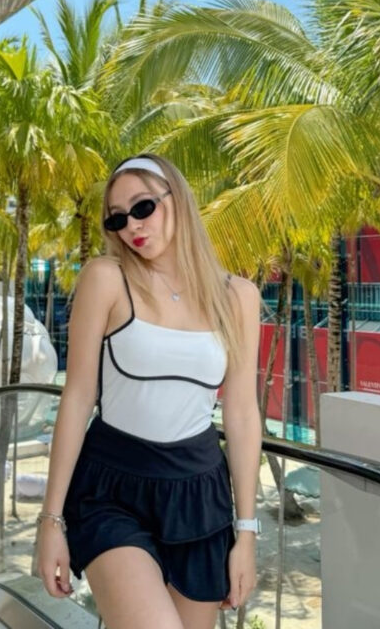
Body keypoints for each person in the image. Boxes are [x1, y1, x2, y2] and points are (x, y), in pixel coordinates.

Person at [36, 154, 262, 629]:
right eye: (117, 218)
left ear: (176, 198)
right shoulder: (107, 279)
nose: (130, 227)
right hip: (111, 488)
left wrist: (247, 532)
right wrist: (50, 522)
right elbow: (77, 399)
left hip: (199, 495)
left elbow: (241, 415)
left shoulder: (238, 297)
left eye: (142, 208)